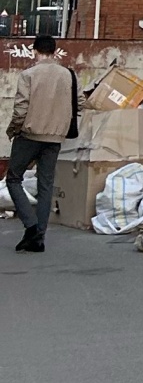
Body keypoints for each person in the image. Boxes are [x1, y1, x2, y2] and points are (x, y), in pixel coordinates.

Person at [7, 32, 78, 252]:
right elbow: (80, 103)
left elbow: (21, 108)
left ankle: (30, 225)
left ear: (34, 51)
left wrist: (13, 130)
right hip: (55, 138)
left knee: (13, 179)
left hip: (29, 135)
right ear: (55, 52)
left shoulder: (29, 75)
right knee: (46, 185)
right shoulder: (68, 75)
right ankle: (39, 237)